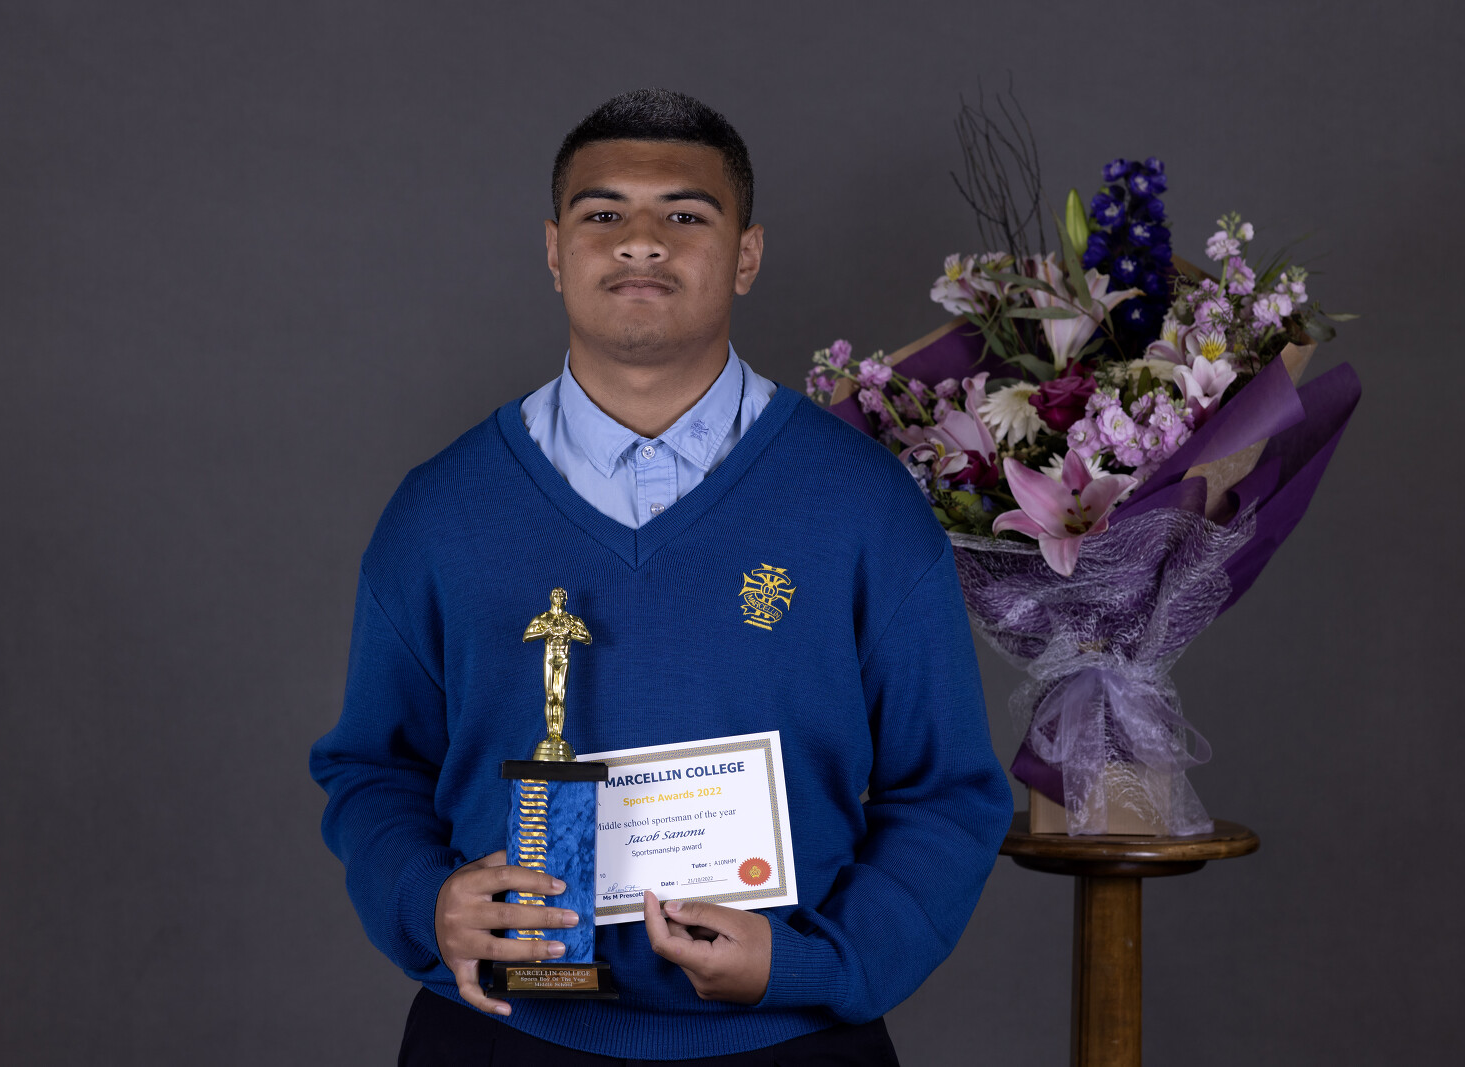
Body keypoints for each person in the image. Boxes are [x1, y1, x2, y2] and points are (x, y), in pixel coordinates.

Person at [309, 88, 1012, 1066]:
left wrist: (815, 962)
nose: (640, 242)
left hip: (792, 1040)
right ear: (554, 250)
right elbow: (372, 769)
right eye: (603, 214)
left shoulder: (863, 504)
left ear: (747, 255)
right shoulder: (440, 510)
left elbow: (947, 791)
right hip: (499, 1036)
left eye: (685, 215)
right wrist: (426, 901)